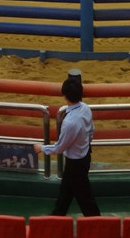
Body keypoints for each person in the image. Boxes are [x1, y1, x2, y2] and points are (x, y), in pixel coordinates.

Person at [33, 78, 100, 216]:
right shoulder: (86, 108)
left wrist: (41, 148)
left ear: (65, 96)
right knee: (66, 192)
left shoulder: (69, 123)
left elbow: (59, 148)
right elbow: (91, 131)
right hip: (84, 156)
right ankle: (57, 215)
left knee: (85, 198)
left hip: (76, 163)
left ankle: (99, 224)